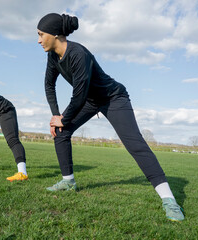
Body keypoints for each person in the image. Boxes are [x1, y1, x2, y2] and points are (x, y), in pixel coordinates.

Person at [37, 13, 184, 221]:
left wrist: (64, 116)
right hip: (89, 100)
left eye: (41, 34)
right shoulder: (52, 56)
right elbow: (48, 85)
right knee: (60, 131)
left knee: (135, 144)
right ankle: (68, 182)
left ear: (54, 34)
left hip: (113, 98)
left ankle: (169, 200)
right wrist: (56, 116)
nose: (39, 40)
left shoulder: (79, 54)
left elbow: (78, 94)